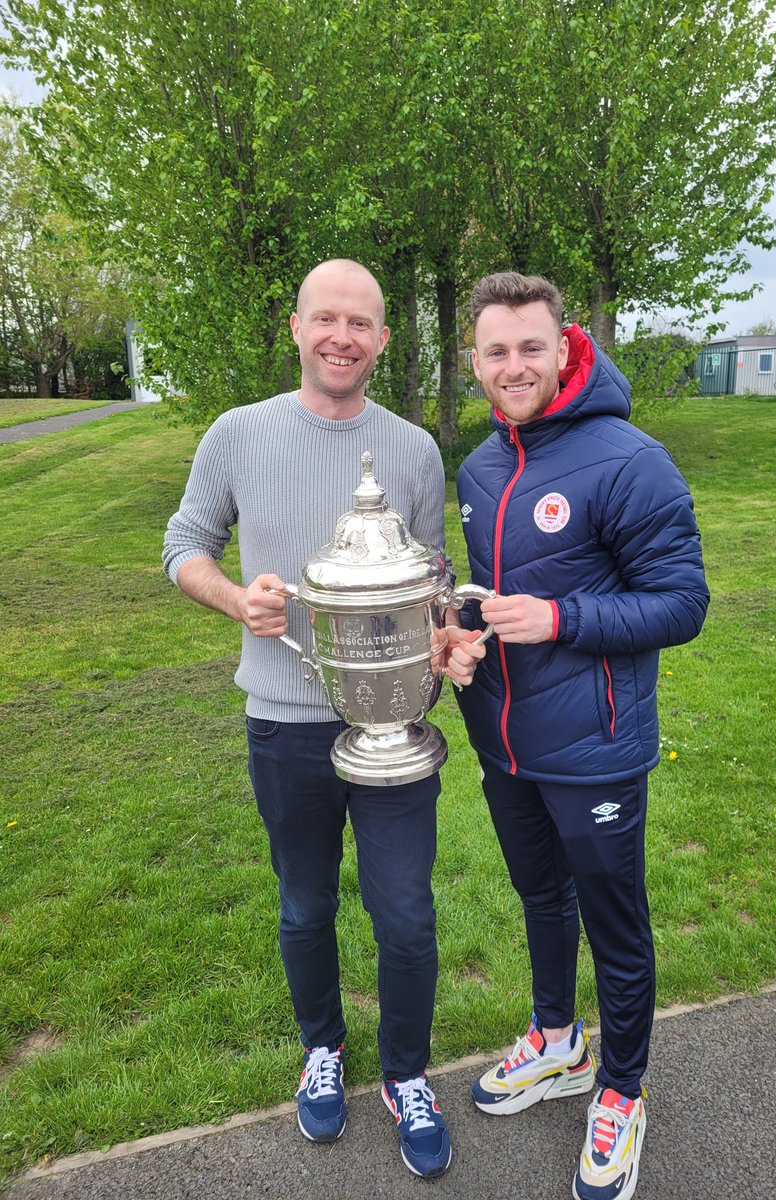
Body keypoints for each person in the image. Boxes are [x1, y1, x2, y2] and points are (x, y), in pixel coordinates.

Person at [162, 259, 481, 1180]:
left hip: (394, 725)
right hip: (286, 718)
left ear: (383, 340)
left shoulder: (414, 450)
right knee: (304, 904)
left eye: (362, 324)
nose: (343, 337)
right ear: (296, 328)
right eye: (326, 319)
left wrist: (450, 643)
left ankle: (407, 1075)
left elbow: (435, 579)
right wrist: (233, 599)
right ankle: (323, 1053)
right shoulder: (237, 435)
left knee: (408, 917)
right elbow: (184, 543)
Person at [454, 272, 709, 1200]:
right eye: (495, 350)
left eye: (531, 346)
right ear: (473, 360)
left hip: (596, 746)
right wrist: (461, 634)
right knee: (539, 899)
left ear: (565, 347)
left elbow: (683, 604)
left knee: (615, 922)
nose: (514, 365)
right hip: (506, 743)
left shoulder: (629, 458)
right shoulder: (481, 466)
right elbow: (494, 598)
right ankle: (558, 1040)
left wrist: (560, 620)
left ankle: (621, 1090)